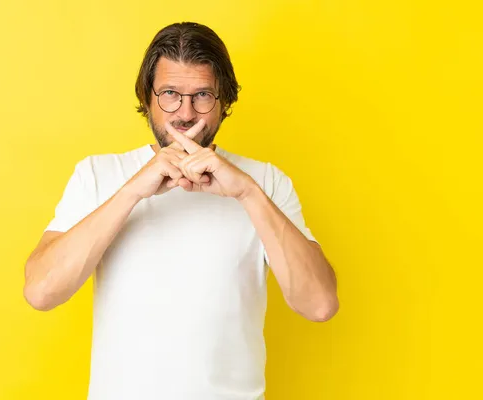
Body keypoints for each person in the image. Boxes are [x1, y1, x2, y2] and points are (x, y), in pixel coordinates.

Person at [24, 21, 338, 400]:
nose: (185, 114)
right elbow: (41, 291)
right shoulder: (99, 175)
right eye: (170, 94)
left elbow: (320, 304)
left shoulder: (265, 182)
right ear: (147, 97)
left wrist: (248, 194)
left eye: (202, 95)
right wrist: (133, 192)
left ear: (224, 101)